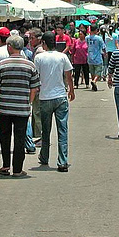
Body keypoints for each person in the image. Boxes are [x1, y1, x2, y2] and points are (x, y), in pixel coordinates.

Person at [0, 35, 40, 177]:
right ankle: (17, 169)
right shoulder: (30, 65)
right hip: (22, 109)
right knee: (20, 138)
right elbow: (34, 88)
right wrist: (28, 102)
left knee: (5, 137)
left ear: (9, 47)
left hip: (4, 108)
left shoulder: (2, 65)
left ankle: (5, 166)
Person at [34, 32, 75, 172]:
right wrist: (71, 90)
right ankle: (62, 161)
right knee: (62, 129)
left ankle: (44, 156)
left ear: (44, 43)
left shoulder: (39, 57)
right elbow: (69, 75)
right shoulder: (62, 57)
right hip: (60, 97)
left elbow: (35, 77)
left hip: (45, 97)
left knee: (46, 130)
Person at [86, 25, 106, 91]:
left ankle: (93, 83)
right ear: (96, 30)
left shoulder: (87, 38)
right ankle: (94, 81)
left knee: (92, 71)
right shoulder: (99, 38)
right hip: (97, 57)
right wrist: (105, 54)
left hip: (89, 56)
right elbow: (103, 47)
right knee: (98, 71)